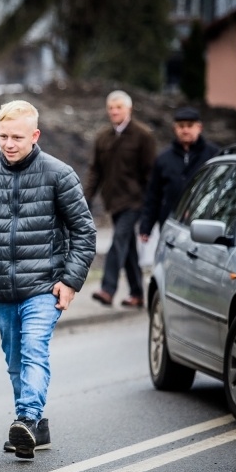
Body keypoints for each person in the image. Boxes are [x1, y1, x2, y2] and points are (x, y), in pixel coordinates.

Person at [0, 100, 96, 460]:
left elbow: (84, 232)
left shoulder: (59, 174)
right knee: (15, 360)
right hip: (1, 288)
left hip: (44, 285)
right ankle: (34, 428)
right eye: (3, 136)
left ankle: (27, 419)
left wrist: (71, 281)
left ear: (35, 135)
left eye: (17, 137)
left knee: (34, 349)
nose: (9, 144)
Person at [84, 90, 155, 309]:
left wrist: (150, 204)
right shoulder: (103, 137)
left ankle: (108, 289)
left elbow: (150, 172)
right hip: (113, 201)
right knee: (128, 247)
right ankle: (137, 293)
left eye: (119, 107)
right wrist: (85, 198)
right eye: (111, 108)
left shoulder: (143, 136)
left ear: (129, 109)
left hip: (135, 201)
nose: (114, 111)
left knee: (118, 241)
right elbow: (95, 171)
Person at [140, 107, 219, 243]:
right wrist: (146, 227)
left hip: (204, 224)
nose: (185, 130)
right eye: (181, 126)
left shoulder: (214, 154)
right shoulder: (163, 159)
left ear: (199, 127)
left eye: (189, 126)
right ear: (174, 129)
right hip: (170, 222)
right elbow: (153, 195)